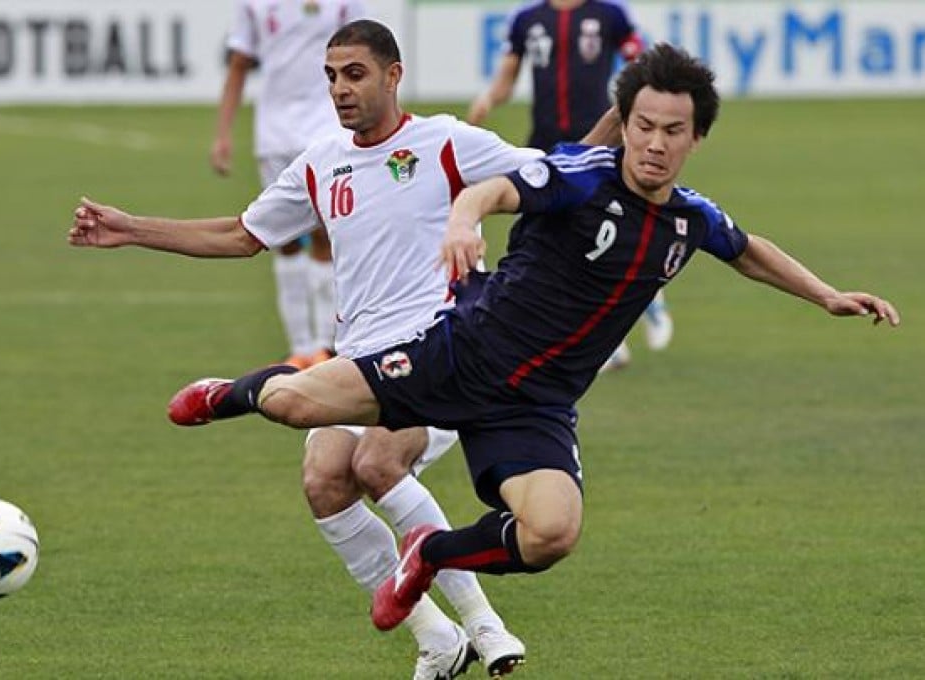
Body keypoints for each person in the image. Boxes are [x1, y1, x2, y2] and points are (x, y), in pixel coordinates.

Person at [147, 43, 899, 654]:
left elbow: (748, 249)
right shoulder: (578, 175)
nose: (656, 144)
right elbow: (500, 188)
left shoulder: (690, 221)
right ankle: (229, 391)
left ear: (695, 138)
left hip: (536, 406)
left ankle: (431, 555)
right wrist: (463, 217)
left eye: (674, 131)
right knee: (293, 405)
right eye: (643, 126)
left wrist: (827, 294)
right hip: (461, 355)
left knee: (550, 535)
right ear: (626, 123)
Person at [68, 19, 598, 680]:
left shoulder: (446, 144)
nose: (340, 90)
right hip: (358, 361)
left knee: (378, 461)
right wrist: (131, 229)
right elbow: (242, 235)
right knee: (324, 480)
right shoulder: (322, 162)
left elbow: (555, 175)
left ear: (393, 75)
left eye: (355, 74)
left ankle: (487, 627)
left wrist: (613, 136)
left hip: (443, 354)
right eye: (331, 76)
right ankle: (435, 637)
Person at [467, 0, 669, 371]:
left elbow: (640, 66)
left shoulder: (610, 14)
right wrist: (488, 98)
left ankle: (647, 304)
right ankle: (610, 338)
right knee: (553, 241)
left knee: (601, 235)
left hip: (601, 145)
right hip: (547, 148)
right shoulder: (528, 19)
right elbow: (508, 77)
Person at [211, 0, 365, 369]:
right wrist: (223, 134)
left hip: (327, 127)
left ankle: (327, 345)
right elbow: (239, 64)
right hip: (275, 133)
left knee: (326, 235)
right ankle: (299, 347)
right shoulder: (253, 5)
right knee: (281, 240)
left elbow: (367, 56)